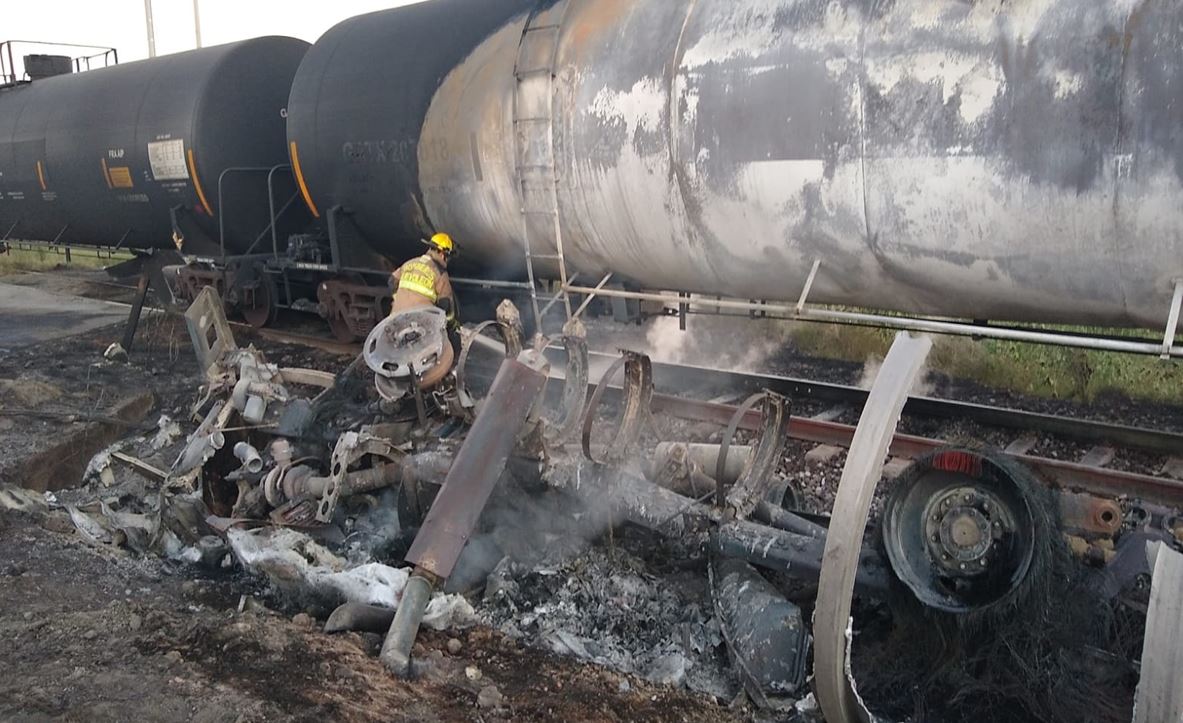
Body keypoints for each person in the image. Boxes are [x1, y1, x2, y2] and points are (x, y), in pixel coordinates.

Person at [390, 232, 458, 329]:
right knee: (445, 343)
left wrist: (398, 299)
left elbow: (391, 282)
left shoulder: (410, 263)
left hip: (396, 319)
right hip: (420, 326)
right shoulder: (440, 273)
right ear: (443, 255)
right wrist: (452, 324)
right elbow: (445, 304)